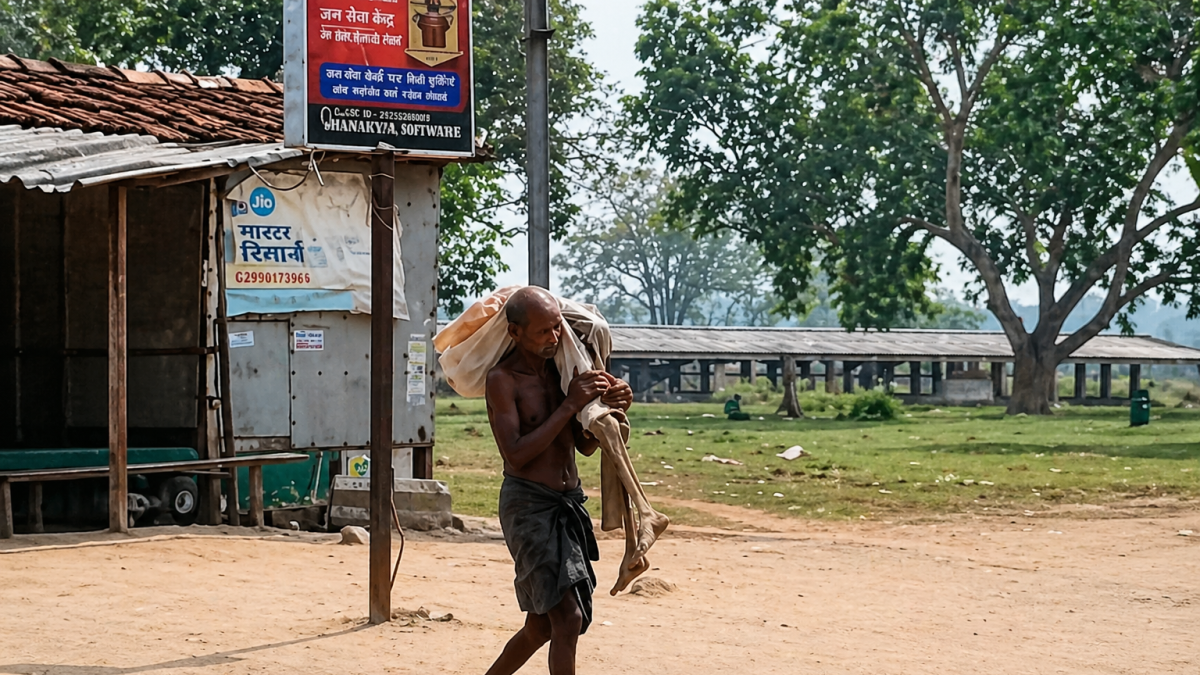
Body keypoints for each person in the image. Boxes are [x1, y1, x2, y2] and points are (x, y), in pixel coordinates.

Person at [483, 287, 633, 675]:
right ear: (515, 333)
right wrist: (569, 404)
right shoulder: (503, 380)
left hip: (568, 503)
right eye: (542, 332)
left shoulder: (564, 370)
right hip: (529, 506)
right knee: (567, 618)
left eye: (556, 328)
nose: (553, 339)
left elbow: (583, 446)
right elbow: (514, 453)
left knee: (541, 626)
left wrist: (611, 407)